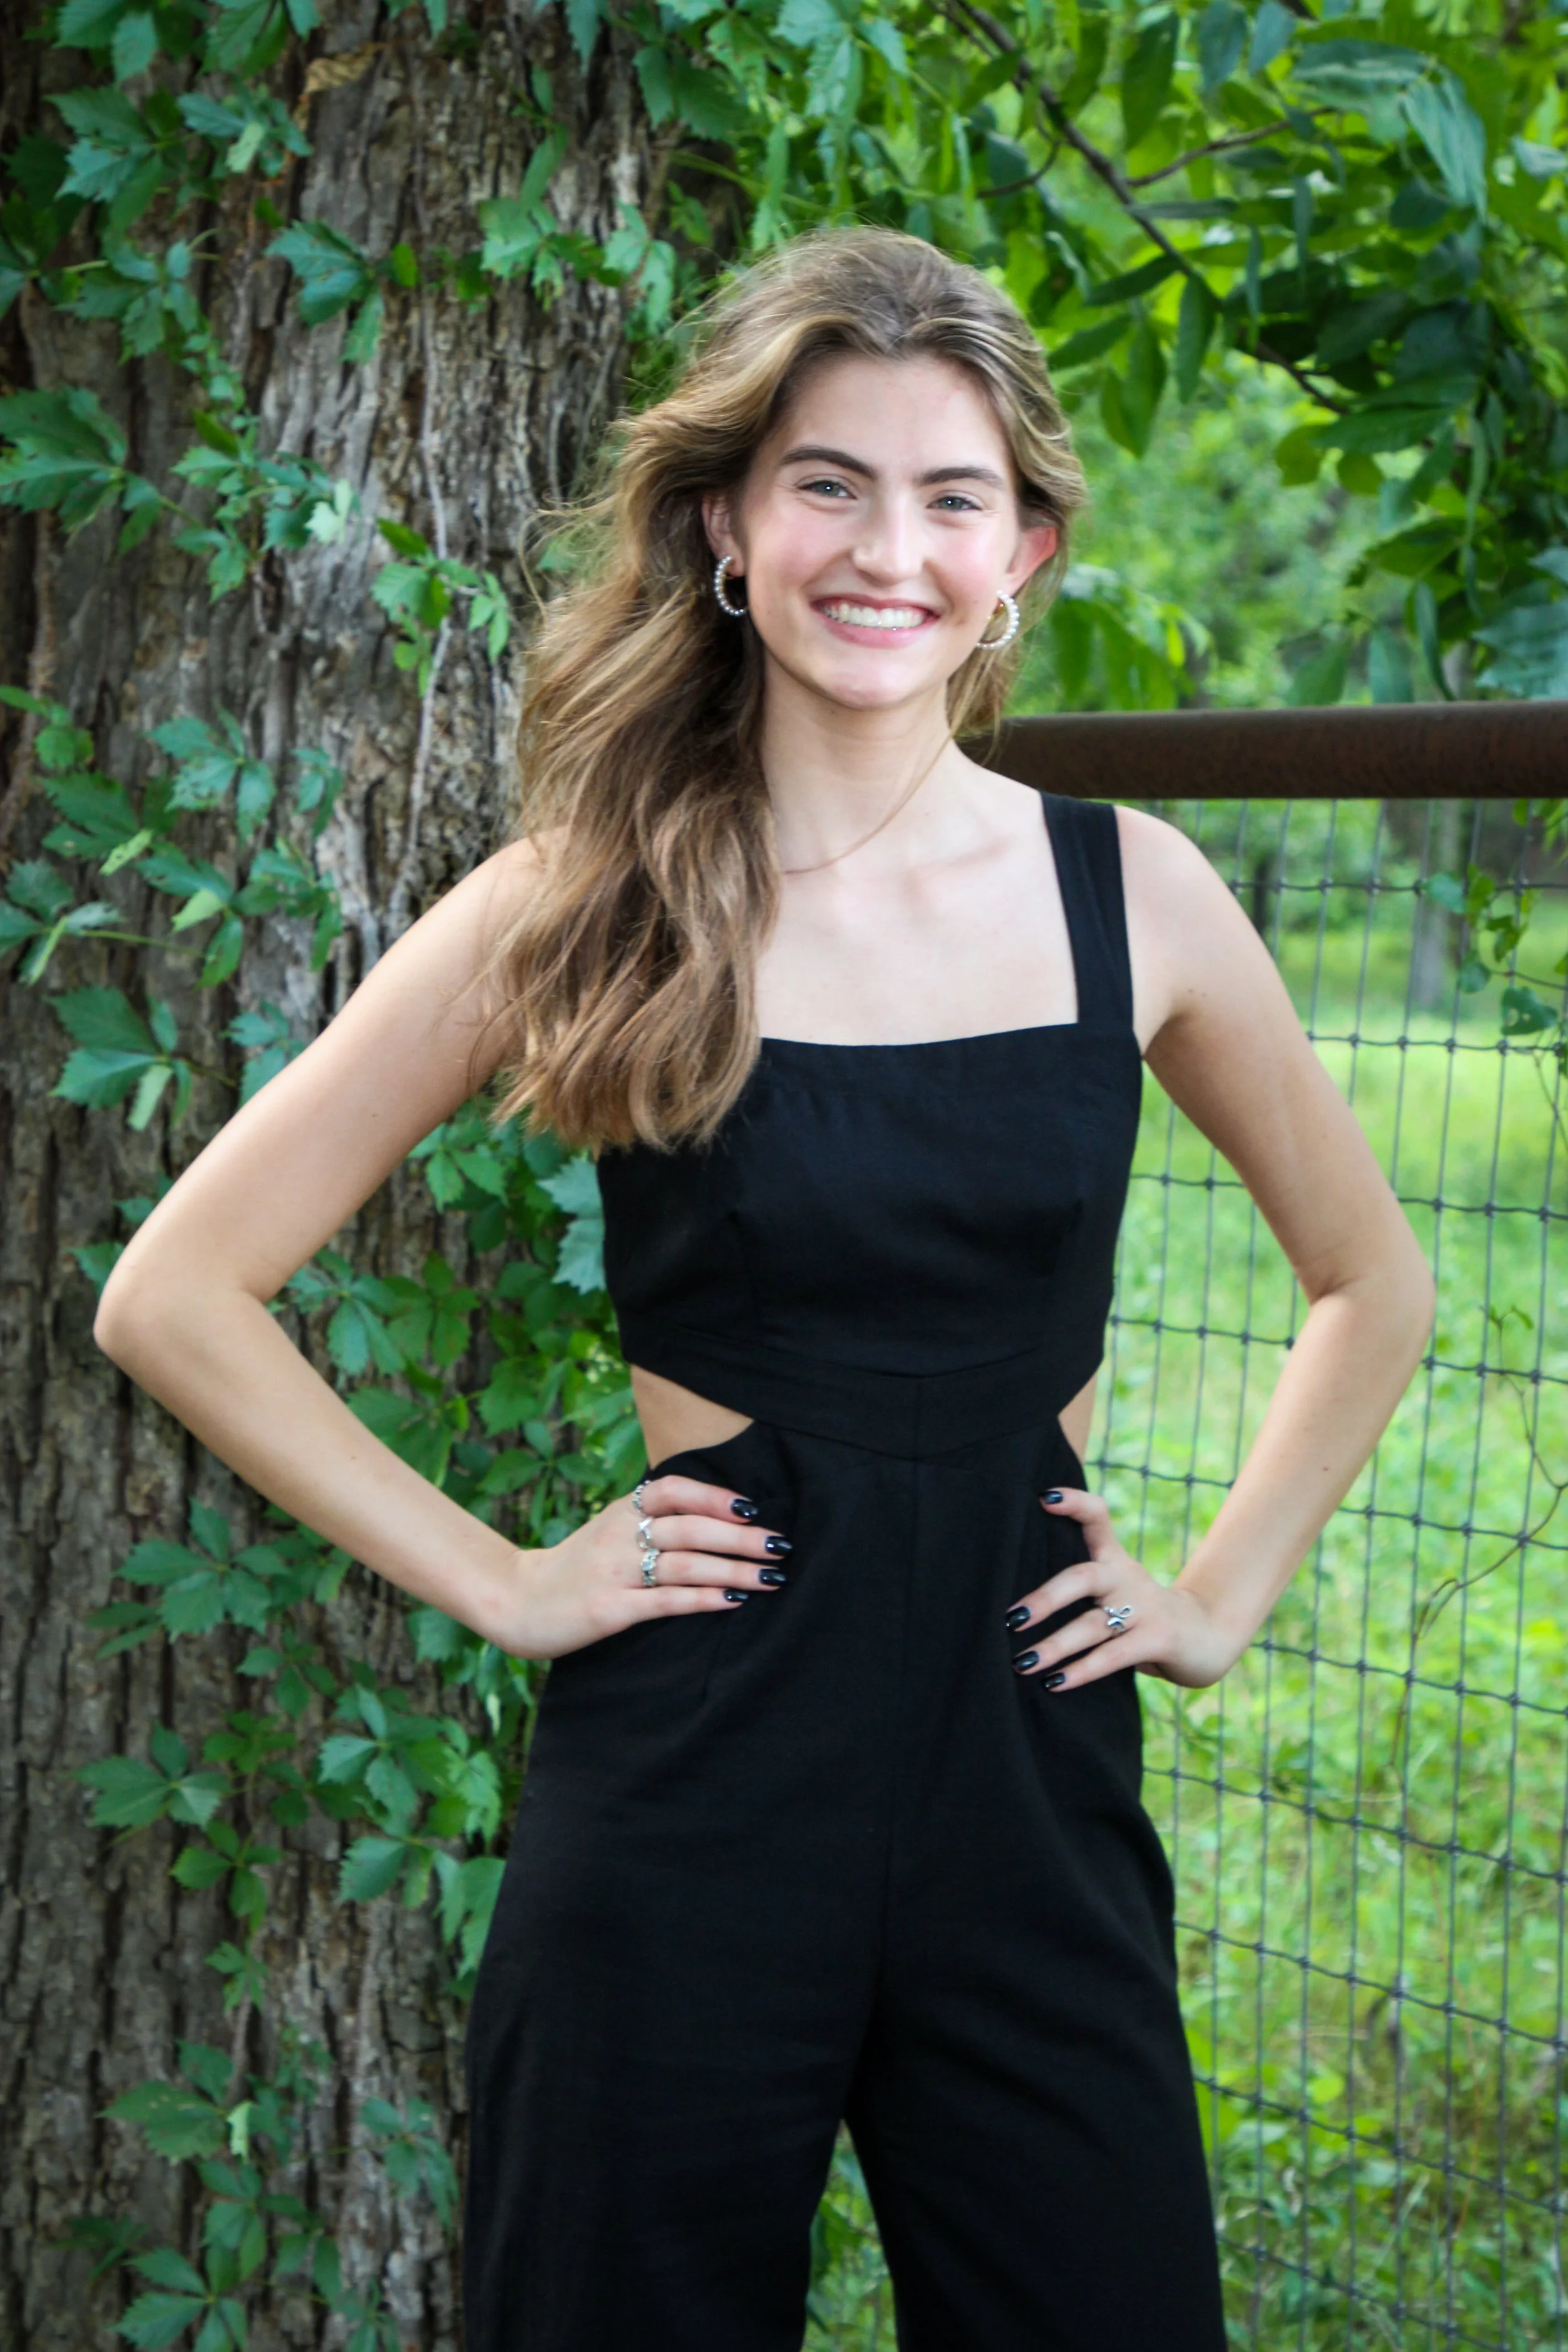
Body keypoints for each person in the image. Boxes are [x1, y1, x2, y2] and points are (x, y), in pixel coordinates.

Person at [94, 225, 1436, 2352]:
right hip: (699, 1772)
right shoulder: (583, 896)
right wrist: (510, 1579)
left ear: (1025, 554)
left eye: (947, 495)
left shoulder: (1132, 899)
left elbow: (1370, 1276)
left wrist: (1219, 1595)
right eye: (826, 481)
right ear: (725, 521)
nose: (881, 546)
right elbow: (177, 1291)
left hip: (1028, 1761)